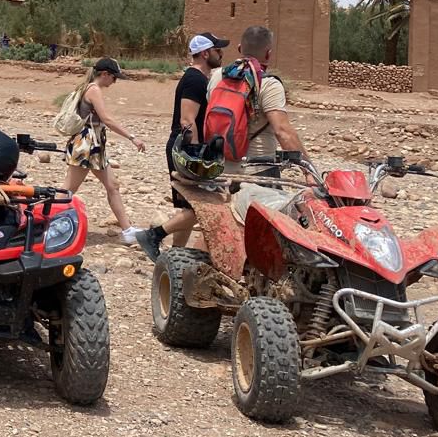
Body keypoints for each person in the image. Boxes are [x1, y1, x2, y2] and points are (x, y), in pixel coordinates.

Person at [134, 25, 313, 262]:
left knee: (218, 216)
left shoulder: (218, 77)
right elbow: (282, 130)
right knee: (273, 225)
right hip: (259, 169)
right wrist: (308, 170)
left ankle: (186, 260)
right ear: (269, 53)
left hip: (223, 162)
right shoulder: (268, 84)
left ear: (239, 49)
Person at [60, 57, 146, 245]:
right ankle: (45, 223)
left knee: (112, 185)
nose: (114, 82)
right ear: (105, 74)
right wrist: (132, 137)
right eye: (114, 77)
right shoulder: (93, 90)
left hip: (94, 144)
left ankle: (128, 230)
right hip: (87, 144)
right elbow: (107, 119)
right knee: (68, 188)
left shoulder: (88, 87)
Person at [161, 32, 228, 245]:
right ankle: (154, 235)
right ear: (205, 53)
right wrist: (198, 157)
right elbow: (187, 120)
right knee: (198, 207)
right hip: (187, 149)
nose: (221, 54)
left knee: (189, 207)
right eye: (218, 50)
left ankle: (175, 253)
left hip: (185, 148)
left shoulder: (200, 79)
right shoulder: (194, 79)